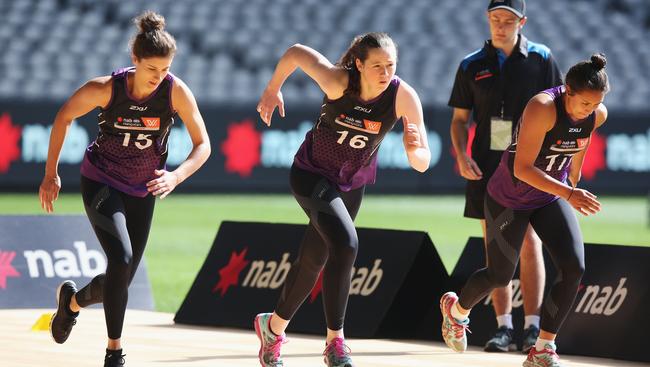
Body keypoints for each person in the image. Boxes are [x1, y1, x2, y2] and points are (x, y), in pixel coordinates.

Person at [39, 11, 211, 367]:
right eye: (152, 70)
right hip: (101, 180)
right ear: (135, 60)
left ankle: (70, 304)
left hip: (143, 189)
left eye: (165, 70)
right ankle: (114, 351)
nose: (158, 78)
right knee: (122, 260)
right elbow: (64, 116)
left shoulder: (175, 91)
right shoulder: (106, 89)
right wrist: (51, 173)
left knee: (121, 279)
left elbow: (203, 144)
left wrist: (176, 176)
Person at [254, 32, 431, 367]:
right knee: (347, 244)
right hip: (311, 175)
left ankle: (272, 327)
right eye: (377, 65)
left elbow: (423, 161)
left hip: (351, 185)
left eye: (390, 65)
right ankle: (336, 342)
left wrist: (413, 149)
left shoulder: (403, 96)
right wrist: (272, 88)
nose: (385, 72)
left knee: (313, 260)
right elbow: (295, 51)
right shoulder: (338, 82)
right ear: (360, 65)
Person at [440, 53, 610, 367]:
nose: (591, 110)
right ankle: (456, 311)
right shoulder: (542, 107)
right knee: (500, 275)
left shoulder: (597, 113)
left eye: (596, 104)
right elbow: (522, 169)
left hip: (548, 196)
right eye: (585, 104)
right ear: (567, 92)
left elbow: (581, 142)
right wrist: (569, 192)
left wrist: (574, 176)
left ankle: (543, 349)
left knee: (574, 267)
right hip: (510, 197)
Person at [448, 0, 563, 353]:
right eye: (494, 19)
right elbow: (458, 121)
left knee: (529, 243)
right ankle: (502, 328)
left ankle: (532, 327)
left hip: (529, 167)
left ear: (522, 21)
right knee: (495, 248)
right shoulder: (471, 64)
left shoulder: (542, 58)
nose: (500, 26)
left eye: (507, 20)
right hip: (486, 167)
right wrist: (461, 155)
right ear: (487, 19)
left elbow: (560, 110)